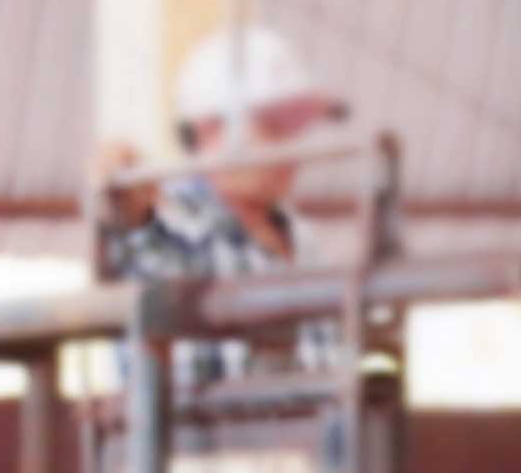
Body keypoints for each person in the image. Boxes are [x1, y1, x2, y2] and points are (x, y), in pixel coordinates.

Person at [94, 22, 349, 387]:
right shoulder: (173, 225)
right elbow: (134, 244)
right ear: (209, 128)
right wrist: (122, 202)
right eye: (276, 127)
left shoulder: (303, 238)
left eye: (296, 130)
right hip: (211, 442)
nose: (295, 147)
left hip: (307, 441)